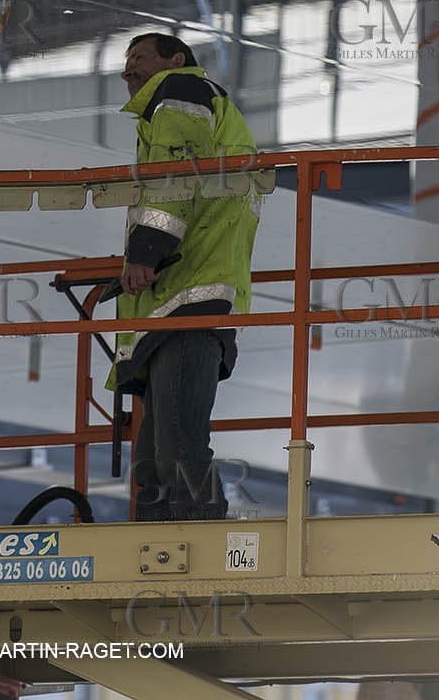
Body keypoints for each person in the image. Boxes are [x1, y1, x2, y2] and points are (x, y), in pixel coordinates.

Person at [107, 31, 265, 522]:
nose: (127, 69)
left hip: (190, 298)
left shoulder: (180, 92)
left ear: (177, 60)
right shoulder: (173, 103)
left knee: (176, 446)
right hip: (175, 295)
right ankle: (156, 548)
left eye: (139, 57)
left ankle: (198, 544)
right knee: (155, 458)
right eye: (126, 59)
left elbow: (174, 182)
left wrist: (145, 254)